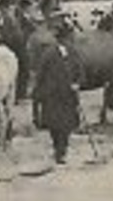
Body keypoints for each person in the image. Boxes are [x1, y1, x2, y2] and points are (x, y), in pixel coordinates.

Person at [30, 29, 82, 164]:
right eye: (66, 38)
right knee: (54, 124)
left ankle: (62, 150)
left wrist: (77, 83)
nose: (68, 41)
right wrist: (38, 92)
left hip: (68, 95)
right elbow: (40, 74)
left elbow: (80, 71)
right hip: (52, 94)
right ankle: (57, 148)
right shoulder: (48, 54)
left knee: (67, 124)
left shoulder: (73, 53)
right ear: (60, 40)